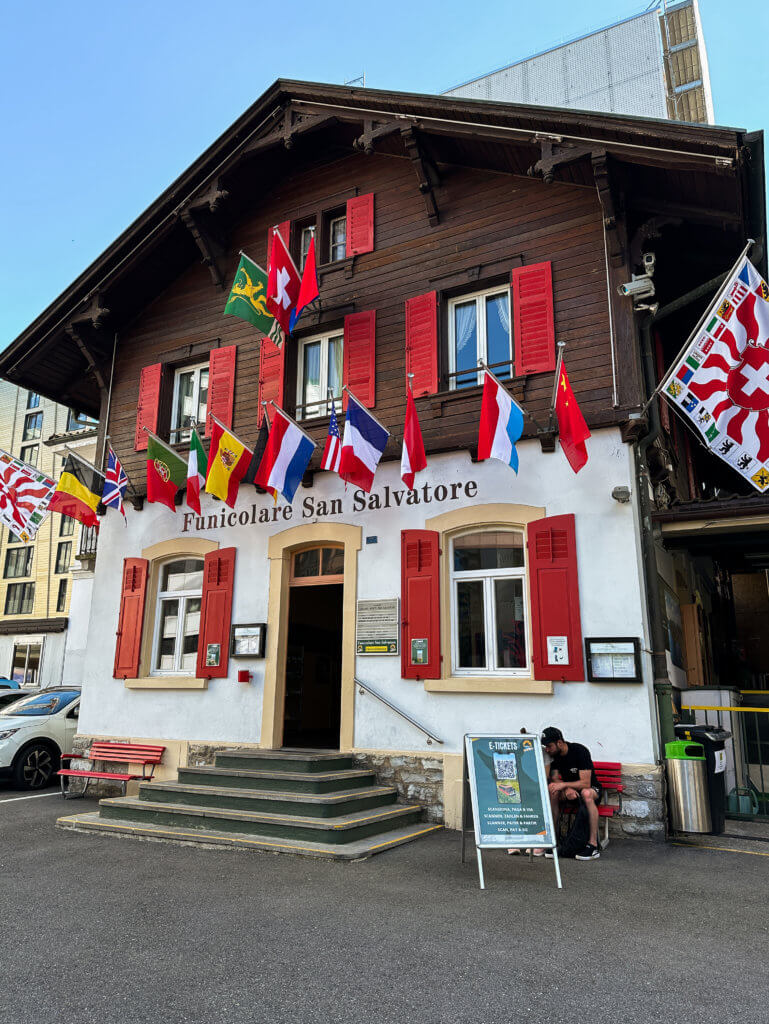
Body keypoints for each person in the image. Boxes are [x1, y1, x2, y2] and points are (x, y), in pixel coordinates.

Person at [541, 726, 602, 861]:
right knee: (553, 791)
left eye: (549, 746)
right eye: (545, 746)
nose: (547, 749)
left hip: (592, 790)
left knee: (586, 793)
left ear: (560, 743)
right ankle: (554, 841)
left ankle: (593, 845)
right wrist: (565, 788)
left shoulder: (579, 751)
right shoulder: (554, 756)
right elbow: (556, 779)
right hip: (571, 792)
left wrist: (564, 785)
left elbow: (585, 783)